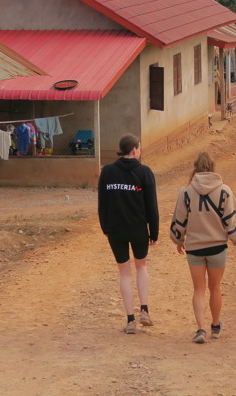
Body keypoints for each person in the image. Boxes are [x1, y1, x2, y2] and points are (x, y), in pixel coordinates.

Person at [169, 152, 236, 343]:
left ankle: (200, 329)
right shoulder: (224, 191)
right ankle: (215, 325)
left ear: (195, 167)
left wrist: (178, 240)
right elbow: (232, 220)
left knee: (198, 289)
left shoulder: (186, 192)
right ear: (212, 167)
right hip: (217, 248)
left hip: (194, 249)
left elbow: (179, 220)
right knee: (215, 287)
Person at [98, 134, 159, 334]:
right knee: (141, 267)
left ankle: (130, 320)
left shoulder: (107, 172)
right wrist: (154, 232)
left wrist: (105, 227)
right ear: (134, 150)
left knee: (124, 272)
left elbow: (102, 203)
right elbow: (152, 205)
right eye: (139, 148)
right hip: (138, 228)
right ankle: (144, 310)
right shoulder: (144, 172)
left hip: (115, 229)